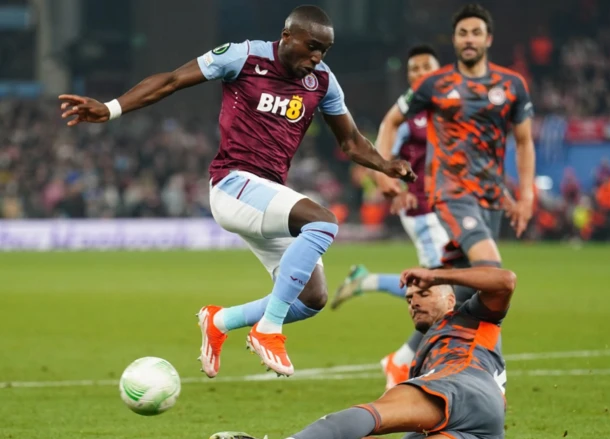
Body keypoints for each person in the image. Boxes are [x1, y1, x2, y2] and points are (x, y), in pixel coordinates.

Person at [59, 5, 414, 378]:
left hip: (266, 194)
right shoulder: (243, 56)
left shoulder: (322, 80)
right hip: (232, 184)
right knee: (323, 223)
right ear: (287, 36)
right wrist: (110, 108)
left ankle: (220, 321)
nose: (317, 57)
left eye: (324, 50)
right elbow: (171, 81)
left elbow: (352, 142)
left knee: (312, 298)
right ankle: (268, 329)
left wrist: (385, 164)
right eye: (311, 46)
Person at [207, 266, 579, 439]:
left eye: (424, 294)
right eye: (409, 299)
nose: (414, 301)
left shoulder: (468, 315)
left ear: (450, 298)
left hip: (464, 385)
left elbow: (506, 281)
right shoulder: (427, 359)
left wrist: (434, 273)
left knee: (376, 410)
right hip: (485, 426)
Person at [376, 3, 536, 306]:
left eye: (476, 33)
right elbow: (390, 122)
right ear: (454, 40)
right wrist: (384, 172)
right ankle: (440, 299)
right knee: (492, 272)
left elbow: (525, 142)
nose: (469, 39)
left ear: (488, 39)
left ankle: (429, 334)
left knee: (470, 287)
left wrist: (526, 197)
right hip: (451, 192)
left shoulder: (512, 85)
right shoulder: (433, 84)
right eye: (463, 33)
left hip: (490, 196)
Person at [330, 44, 449, 390]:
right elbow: (380, 152)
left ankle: (366, 282)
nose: (419, 73)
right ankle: (401, 361)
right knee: (442, 288)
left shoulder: (447, 108)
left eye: (426, 66)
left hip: (447, 209)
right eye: (413, 69)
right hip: (422, 208)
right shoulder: (408, 115)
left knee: (447, 286)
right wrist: (390, 185)